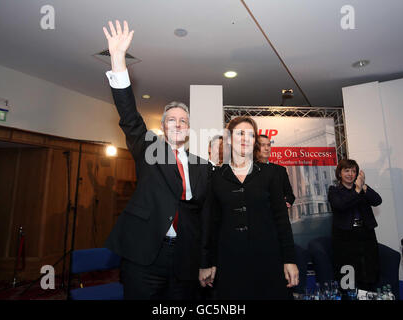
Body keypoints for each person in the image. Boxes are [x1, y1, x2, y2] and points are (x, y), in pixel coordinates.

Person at [102, 20, 212, 300]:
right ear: (163, 127)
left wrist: (205, 261)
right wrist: (118, 59)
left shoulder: (202, 166)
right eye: (172, 120)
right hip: (144, 256)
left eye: (183, 120)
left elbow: (206, 217)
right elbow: (129, 116)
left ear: (189, 129)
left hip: (185, 261)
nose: (178, 124)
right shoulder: (148, 148)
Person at [200, 116, 299, 299]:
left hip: (269, 259)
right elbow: (211, 224)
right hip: (230, 261)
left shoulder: (270, 174)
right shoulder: (216, 177)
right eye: (240, 133)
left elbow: (281, 220)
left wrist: (290, 260)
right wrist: (207, 262)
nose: (246, 138)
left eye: (251, 135)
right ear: (229, 138)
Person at [328, 159, 382, 292]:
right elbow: (341, 205)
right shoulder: (334, 190)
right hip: (345, 237)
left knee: (368, 271)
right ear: (340, 173)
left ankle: (368, 293)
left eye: (353, 171)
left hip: (366, 234)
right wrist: (357, 190)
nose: (350, 174)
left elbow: (377, 200)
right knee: (348, 274)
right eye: (347, 171)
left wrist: (363, 186)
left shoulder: (362, 188)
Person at [256, 134, 295, 208]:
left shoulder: (280, 170)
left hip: (278, 216)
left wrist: (288, 201)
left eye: (268, 145)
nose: (266, 148)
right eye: (263, 145)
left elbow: (290, 195)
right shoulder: (247, 170)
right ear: (255, 148)